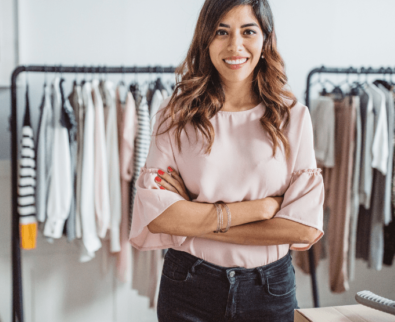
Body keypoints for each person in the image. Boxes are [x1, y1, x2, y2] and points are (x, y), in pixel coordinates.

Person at [128, 0, 324, 321]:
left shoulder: (293, 117)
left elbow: (303, 228)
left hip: (268, 289)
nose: (235, 46)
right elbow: (159, 217)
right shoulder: (174, 114)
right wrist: (259, 210)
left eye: (248, 31)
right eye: (222, 31)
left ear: (265, 39)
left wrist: (193, 217)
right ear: (206, 39)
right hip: (188, 285)